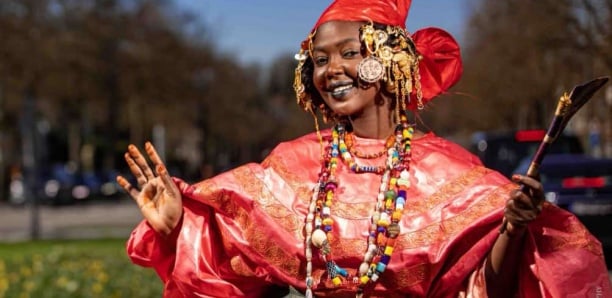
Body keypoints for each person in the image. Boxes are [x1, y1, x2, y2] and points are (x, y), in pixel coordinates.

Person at [117, 0, 611, 297]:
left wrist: (512, 229)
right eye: (318, 60)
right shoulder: (292, 165)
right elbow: (233, 267)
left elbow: (481, 290)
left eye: (349, 53)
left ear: (390, 62)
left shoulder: (452, 175)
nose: (330, 70)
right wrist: (181, 223)